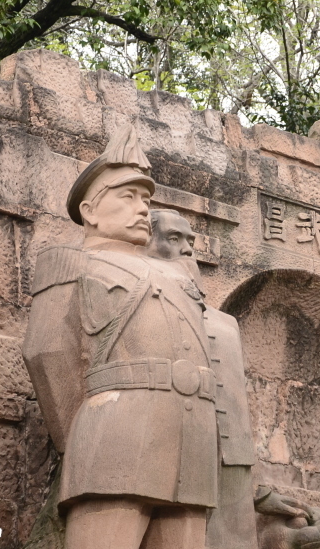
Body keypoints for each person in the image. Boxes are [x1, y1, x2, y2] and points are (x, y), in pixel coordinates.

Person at [23, 125, 218, 549]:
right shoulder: (72, 261)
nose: (142, 208)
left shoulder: (178, 274)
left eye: (145, 199)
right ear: (90, 211)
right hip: (115, 432)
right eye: (127, 197)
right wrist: (87, 436)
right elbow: (48, 354)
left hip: (192, 434)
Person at [145, 209, 320, 549]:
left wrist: (259, 494)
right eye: (173, 238)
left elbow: (230, 424)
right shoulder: (141, 307)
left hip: (231, 488)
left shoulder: (224, 325)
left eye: (190, 241)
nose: (187, 249)